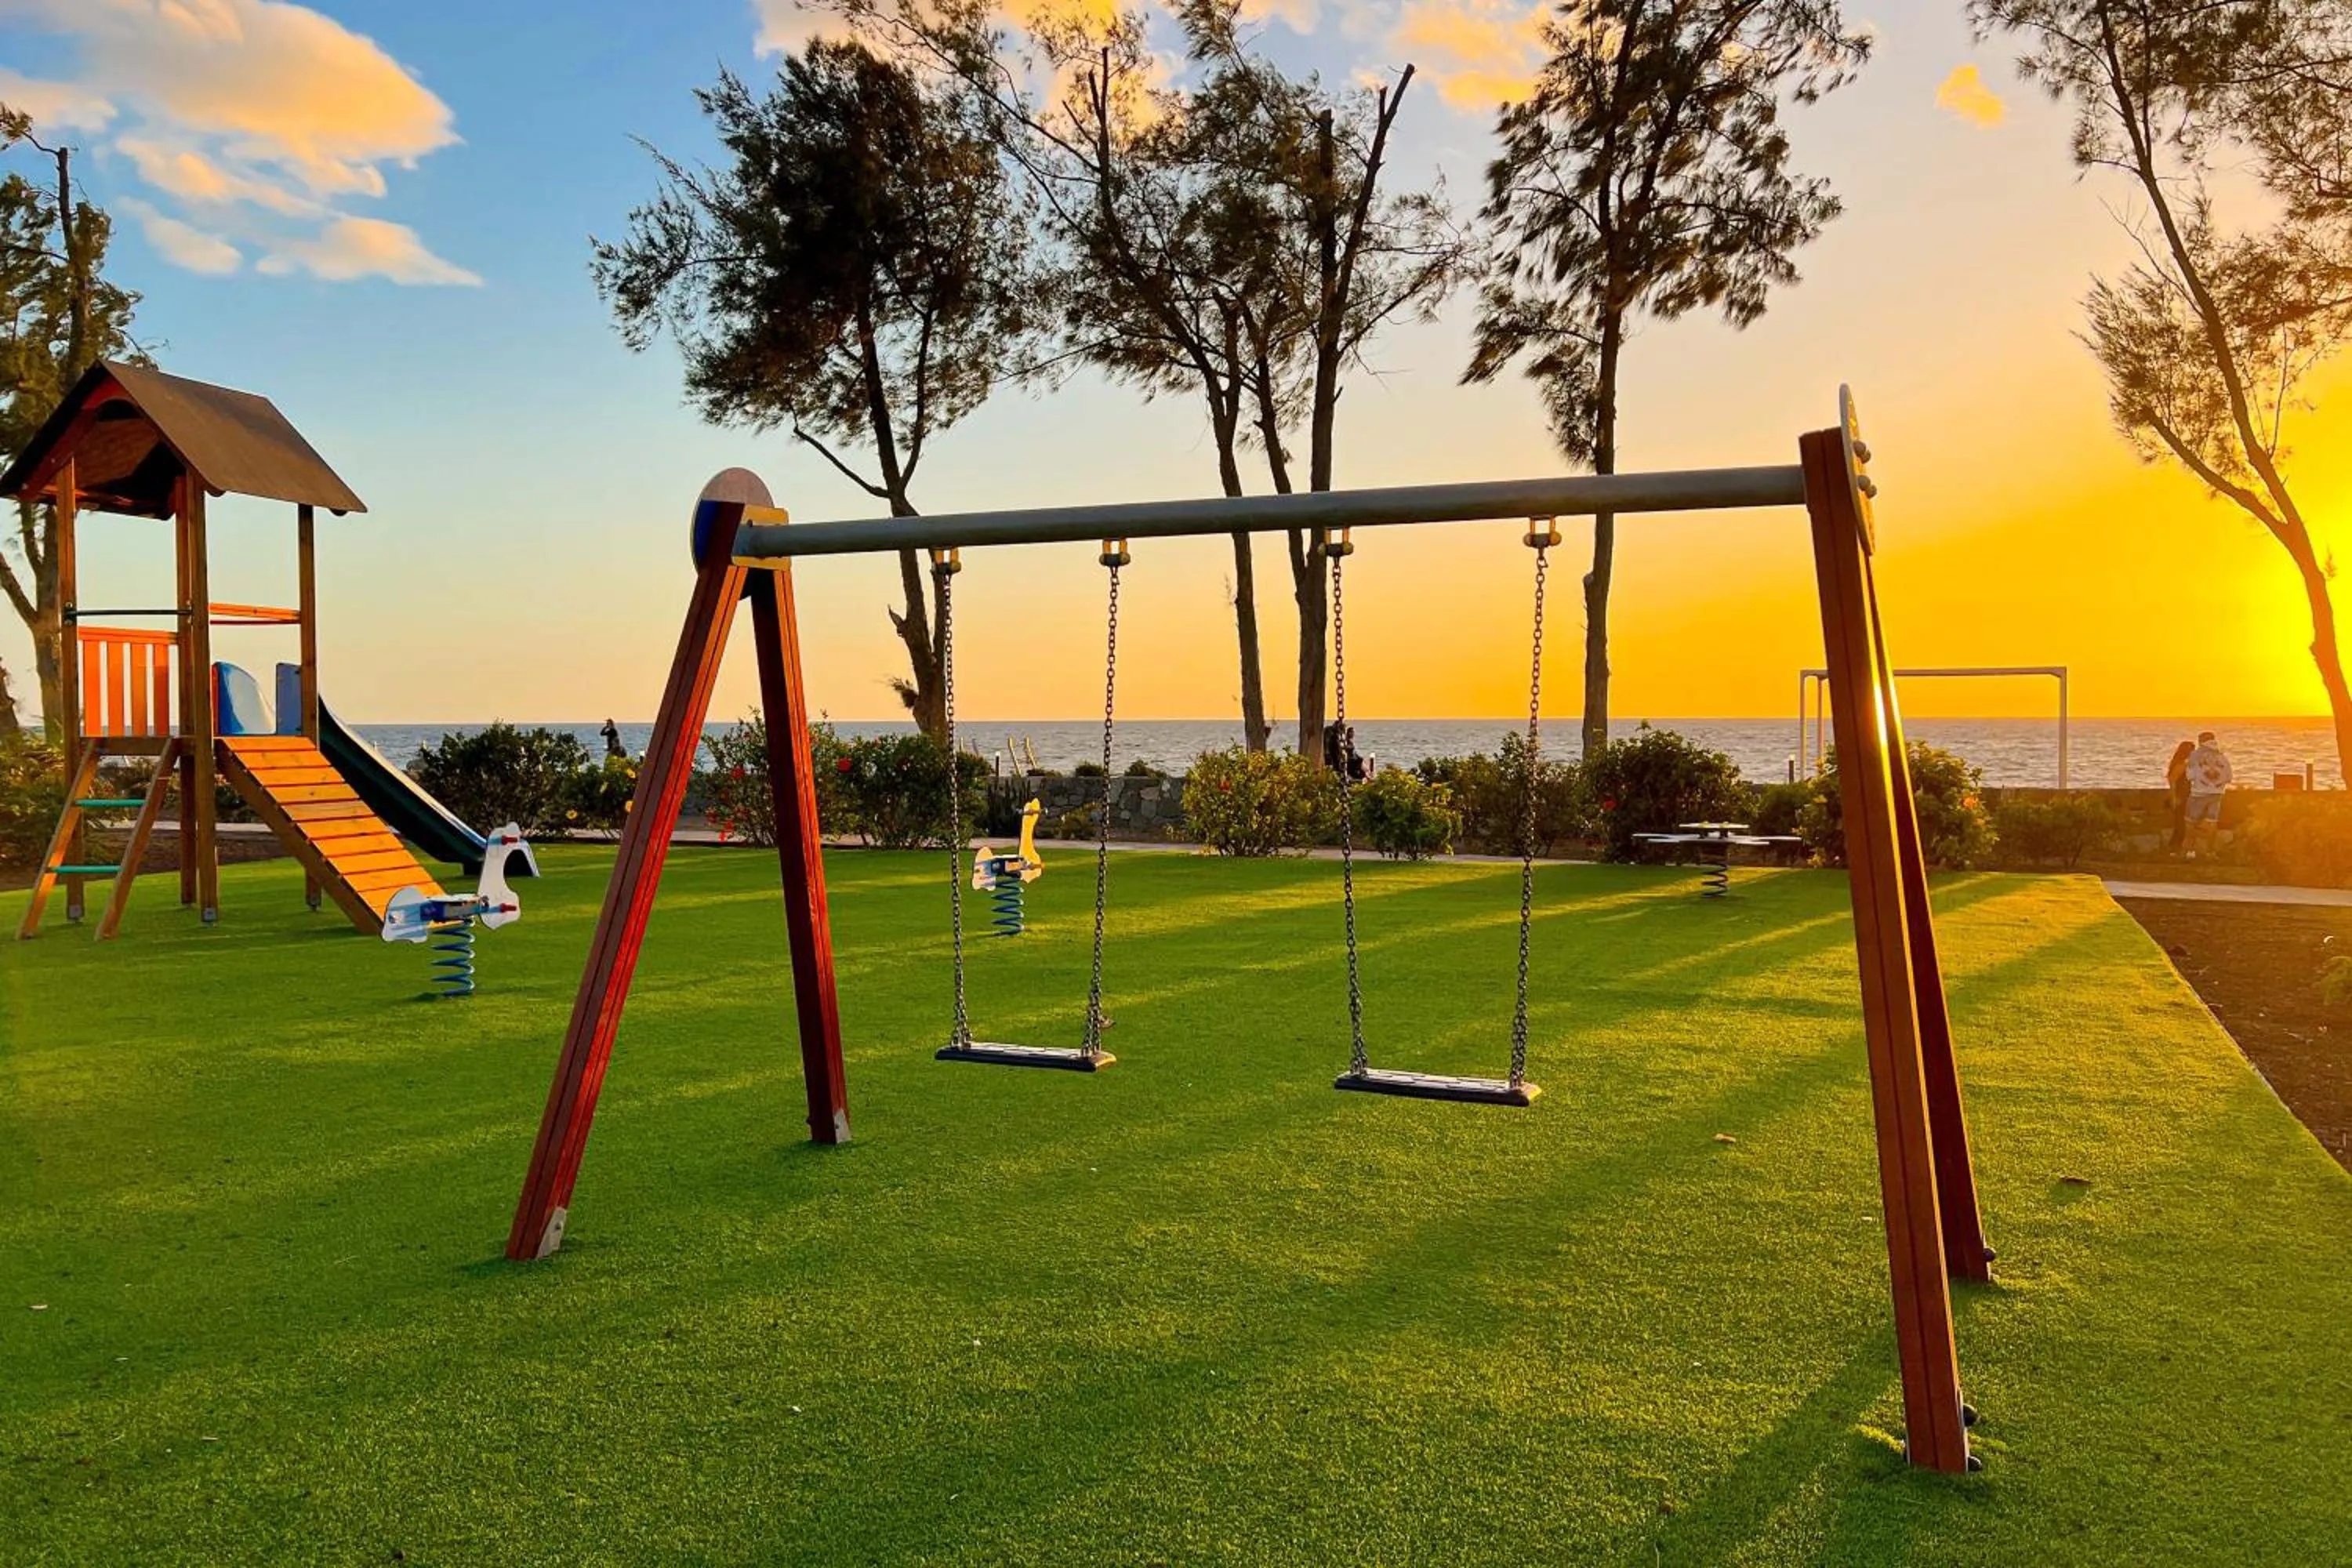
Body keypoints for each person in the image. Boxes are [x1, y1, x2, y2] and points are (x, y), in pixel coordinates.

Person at [2183, 729, 2233, 857]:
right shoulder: (2222, 756)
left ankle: (2190, 851)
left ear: (2201, 741)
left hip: (2198, 795)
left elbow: (2190, 776)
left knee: (2191, 823)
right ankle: (2210, 852)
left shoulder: (2195, 755)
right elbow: (2229, 777)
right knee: (2212, 823)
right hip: (2217, 794)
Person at [2165, 739, 2196, 852]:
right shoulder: (2181, 765)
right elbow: (2172, 781)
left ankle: (2174, 848)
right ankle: (2174, 848)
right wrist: (2174, 798)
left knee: (2180, 824)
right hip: (2181, 797)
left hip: (2184, 796)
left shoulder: (2184, 764)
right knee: (2181, 825)